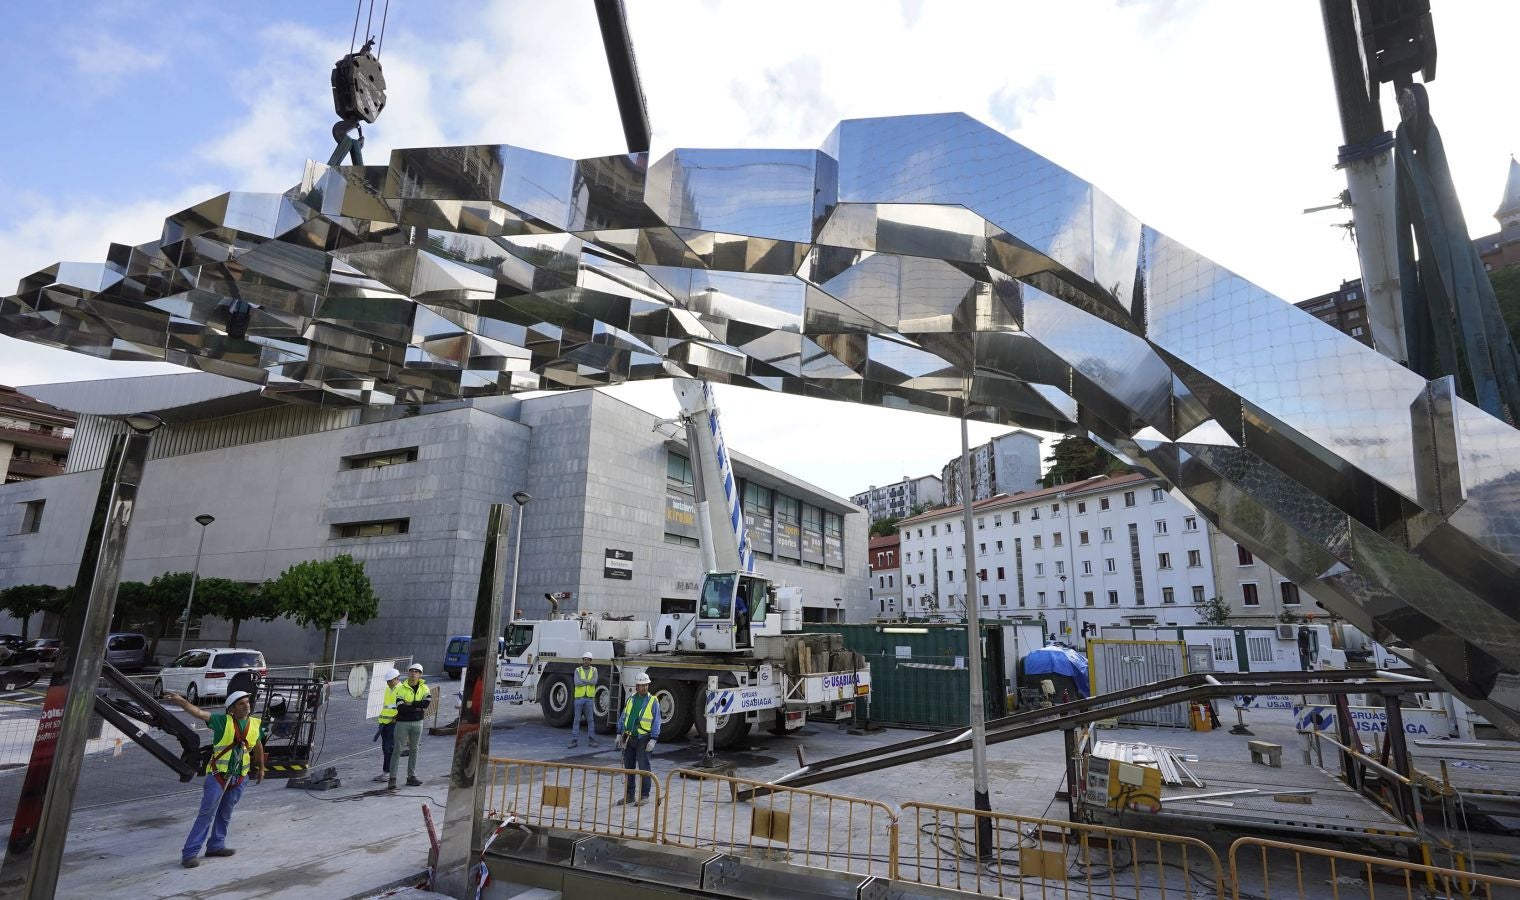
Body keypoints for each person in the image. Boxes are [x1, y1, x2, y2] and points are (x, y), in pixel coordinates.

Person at [164, 688, 264, 868]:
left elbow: (257, 746)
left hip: (239, 777)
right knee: (206, 814)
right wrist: (182, 702)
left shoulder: (255, 724)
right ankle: (190, 854)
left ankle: (216, 846)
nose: (246, 706)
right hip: (218, 776)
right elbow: (199, 713)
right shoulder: (221, 721)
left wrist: (262, 768)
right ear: (231, 709)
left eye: (247, 703)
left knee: (225, 814)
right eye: (241, 704)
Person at [614, 672, 660, 807]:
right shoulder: (631, 699)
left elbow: (657, 721)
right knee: (629, 768)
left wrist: (654, 739)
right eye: (642, 685)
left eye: (646, 685)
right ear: (636, 686)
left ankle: (645, 796)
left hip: (644, 738)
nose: (645, 687)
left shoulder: (653, 701)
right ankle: (629, 795)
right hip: (629, 737)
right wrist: (618, 732)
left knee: (644, 768)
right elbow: (624, 716)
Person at [388, 662, 430, 789]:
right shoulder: (400, 688)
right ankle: (392, 779)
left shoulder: (425, 688)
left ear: (420, 674)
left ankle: (411, 776)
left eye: (416, 671)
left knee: (414, 749)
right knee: (397, 750)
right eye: (411, 671)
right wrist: (417, 706)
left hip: (418, 723)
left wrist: (410, 704)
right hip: (402, 723)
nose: (413, 673)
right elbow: (400, 707)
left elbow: (426, 704)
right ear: (408, 673)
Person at [373, 667, 401, 782]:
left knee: (389, 748)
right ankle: (387, 772)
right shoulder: (388, 689)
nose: (388, 683)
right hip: (384, 723)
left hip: (393, 723)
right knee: (386, 748)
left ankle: (388, 773)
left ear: (396, 679)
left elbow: (402, 707)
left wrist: (396, 718)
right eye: (387, 681)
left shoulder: (401, 690)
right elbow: (387, 706)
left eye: (390, 681)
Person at [569, 652, 598, 749]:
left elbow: (594, 682)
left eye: (588, 659)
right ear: (583, 660)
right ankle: (574, 740)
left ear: (591, 661)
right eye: (585, 659)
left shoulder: (594, 670)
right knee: (576, 720)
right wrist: (588, 682)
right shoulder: (577, 670)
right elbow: (577, 683)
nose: (586, 661)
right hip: (579, 699)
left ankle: (592, 739)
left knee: (590, 720)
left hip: (589, 699)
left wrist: (584, 681)